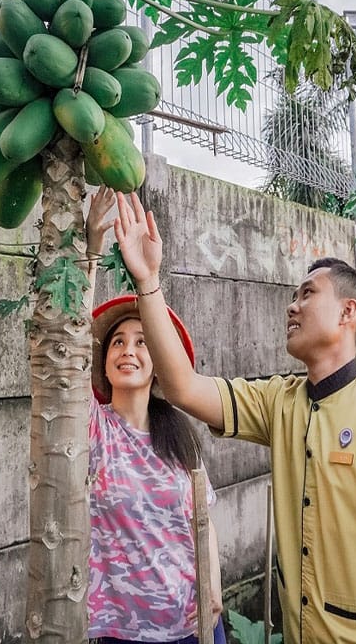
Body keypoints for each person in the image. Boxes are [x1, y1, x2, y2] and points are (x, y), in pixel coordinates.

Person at [112, 191, 356, 644]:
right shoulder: (280, 401)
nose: (291, 306)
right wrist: (148, 280)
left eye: (306, 294)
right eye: (293, 296)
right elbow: (182, 386)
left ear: (347, 311)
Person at [85, 188, 226, 644]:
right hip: (120, 631)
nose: (128, 350)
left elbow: (201, 520)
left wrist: (215, 586)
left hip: (193, 623)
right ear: (104, 359)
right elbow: (66, 345)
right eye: (118, 342)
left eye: (143, 341)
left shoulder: (178, 433)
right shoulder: (94, 427)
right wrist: (91, 252)